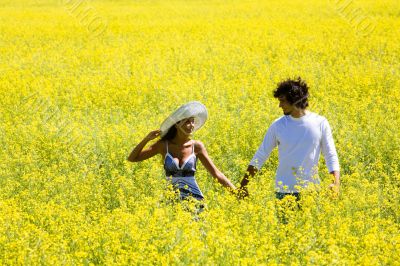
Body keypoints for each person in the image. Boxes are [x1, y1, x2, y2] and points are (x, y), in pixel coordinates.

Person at [239, 77, 340, 200]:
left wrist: (336, 183)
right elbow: (261, 155)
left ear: (295, 99)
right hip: (283, 192)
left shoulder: (320, 123)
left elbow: (330, 155)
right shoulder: (278, 125)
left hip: (311, 191)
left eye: (282, 100)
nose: (279, 105)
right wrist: (243, 185)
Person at [127, 101, 236, 202]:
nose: (191, 125)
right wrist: (146, 139)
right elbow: (132, 158)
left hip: (195, 200)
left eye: (193, 122)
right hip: (170, 198)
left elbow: (217, 174)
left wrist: (237, 193)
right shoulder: (163, 146)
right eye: (187, 122)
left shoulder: (197, 146)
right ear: (177, 124)